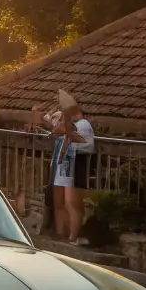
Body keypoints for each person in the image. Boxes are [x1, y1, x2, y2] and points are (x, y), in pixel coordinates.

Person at [47, 90, 95, 245]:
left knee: (72, 203)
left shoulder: (83, 125)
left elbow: (84, 144)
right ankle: (63, 233)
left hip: (75, 165)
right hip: (65, 165)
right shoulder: (72, 124)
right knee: (61, 202)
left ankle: (73, 236)